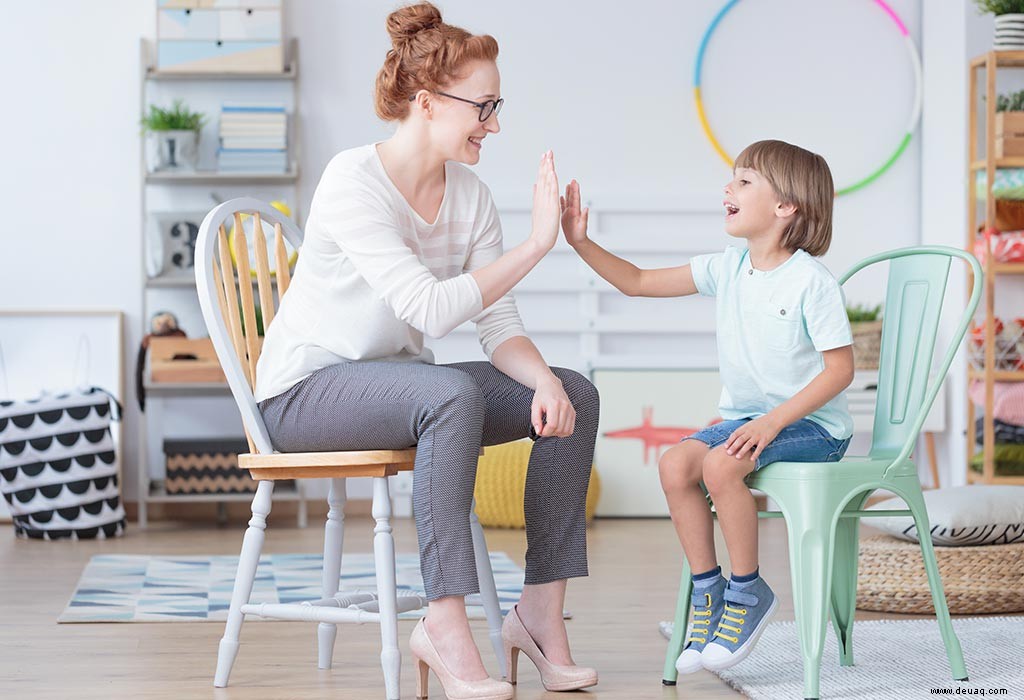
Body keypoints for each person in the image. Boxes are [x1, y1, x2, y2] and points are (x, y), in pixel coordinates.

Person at [254, 3, 598, 697]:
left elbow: (497, 327)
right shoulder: (353, 181)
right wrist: (537, 245)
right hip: (303, 393)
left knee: (575, 392)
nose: (494, 124)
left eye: (497, 106)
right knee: (451, 393)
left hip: (399, 389)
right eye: (485, 106)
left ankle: (539, 615)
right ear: (427, 103)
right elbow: (432, 310)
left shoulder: (470, 198)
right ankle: (443, 623)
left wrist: (544, 383)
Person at [561, 139, 854, 674]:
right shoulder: (730, 266)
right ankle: (709, 591)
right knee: (674, 463)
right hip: (751, 422)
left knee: (720, 465)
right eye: (732, 179)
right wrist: (581, 243)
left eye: (744, 181)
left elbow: (841, 371)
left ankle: (749, 593)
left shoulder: (812, 281)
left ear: (786, 206)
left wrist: (772, 421)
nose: (728, 189)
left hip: (813, 426)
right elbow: (638, 281)